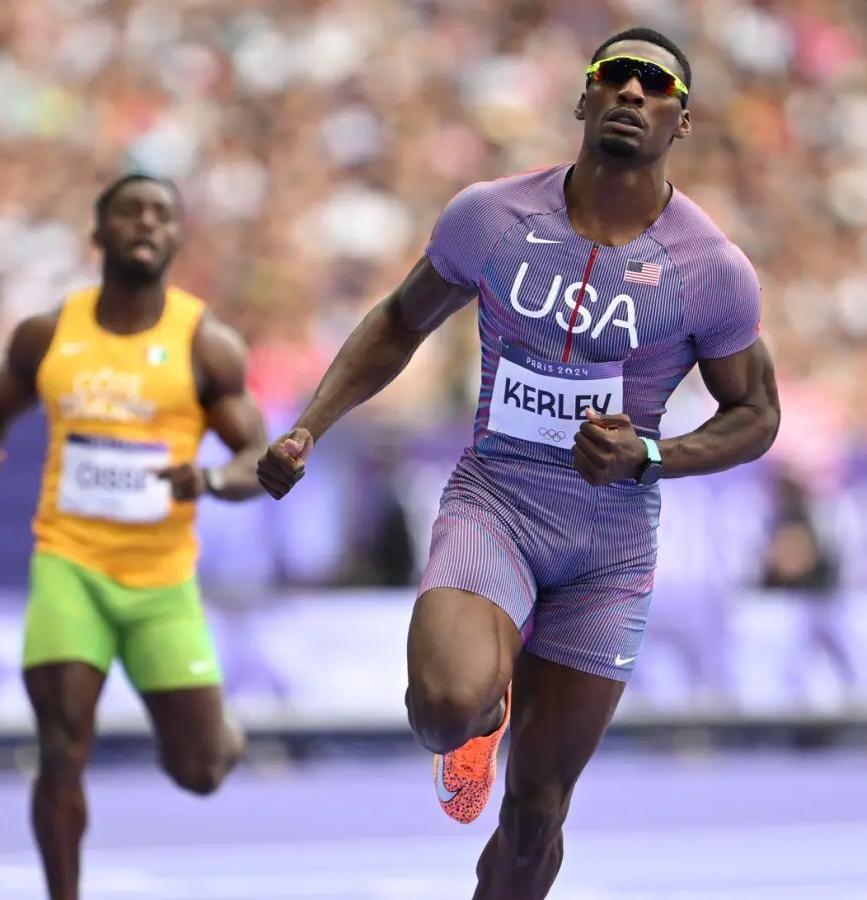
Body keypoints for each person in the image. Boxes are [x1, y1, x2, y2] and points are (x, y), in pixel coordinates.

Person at [258, 27, 780, 899]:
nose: (631, 93)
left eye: (655, 86)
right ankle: (483, 716)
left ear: (681, 120)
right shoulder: (491, 217)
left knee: (536, 815)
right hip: (494, 506)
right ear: (582, 100)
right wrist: (312, 424)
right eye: (613, 77)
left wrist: (651, 454)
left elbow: (757, 415)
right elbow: (398, 320)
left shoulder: (712, 270)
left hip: (607, 548)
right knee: (442, 709)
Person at [0, 175, 267, 900]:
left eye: (162, 213)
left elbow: (260, 459)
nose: (147, 223)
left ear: (177, 238)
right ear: (99, 236)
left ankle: (224, 734)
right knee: (61, 751)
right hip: (71, 564)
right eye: (131, 211)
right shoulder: (50, 333)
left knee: (201, 771)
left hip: (162, 582)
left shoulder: (204, 345)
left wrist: (211, 482)